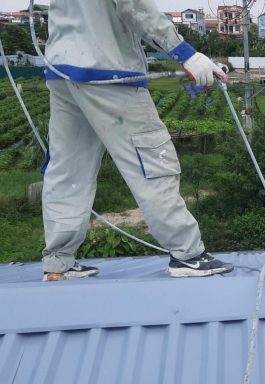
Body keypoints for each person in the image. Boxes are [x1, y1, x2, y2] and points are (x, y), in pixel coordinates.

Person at [41, 0, 233, 281]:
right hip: (109, 71)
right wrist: (185, 53)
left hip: (61, 71)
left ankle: (58, 262)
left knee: (68, 167)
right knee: (153, 160)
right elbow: (136, 7)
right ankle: (187, 254)